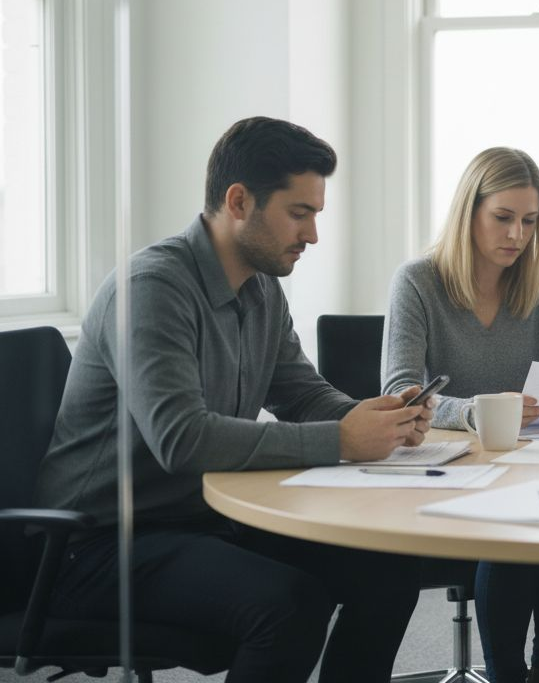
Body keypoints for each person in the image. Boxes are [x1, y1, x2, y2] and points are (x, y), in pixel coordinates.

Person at [32, 116, 433, 682]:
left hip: (204, 518)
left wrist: (376, 419)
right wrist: (341, 440)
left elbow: (300, 391)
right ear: (239, 201)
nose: (313, 234)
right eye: (300, 213)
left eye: (316, 214)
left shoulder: (262, 286)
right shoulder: (151, 288)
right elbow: (182, 438)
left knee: (388, 570)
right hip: (96, 544)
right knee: (288, 604)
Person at [383, 146, 539, 683]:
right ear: (468, 211)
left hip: (530, 466)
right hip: (448, 473)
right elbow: (402, 391)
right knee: (514, 527)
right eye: (503, 218)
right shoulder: (418, 281)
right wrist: (479, 412)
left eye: (529, 221)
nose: (517, 235)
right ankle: (506, 674)